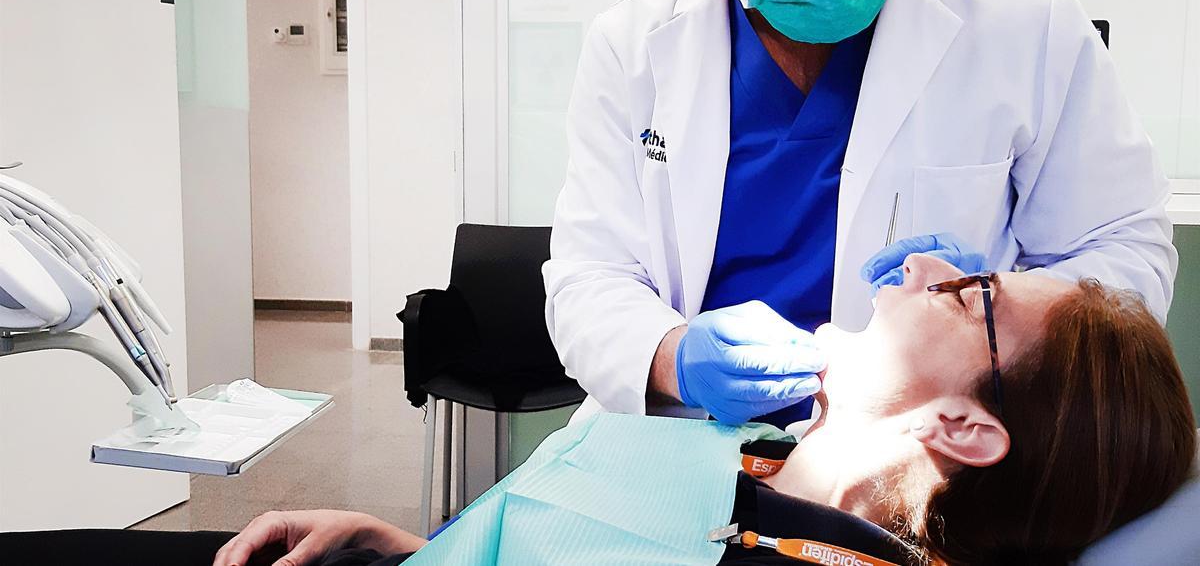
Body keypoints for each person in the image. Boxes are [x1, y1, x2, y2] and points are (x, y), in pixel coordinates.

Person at [4, 257, 1194, 565]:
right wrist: (428, 546)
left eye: (972, 295)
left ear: (967, 431)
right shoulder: (763, 463)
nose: (926, 273)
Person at [544, 0, 1177, 428]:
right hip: (683, 444)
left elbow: (1127, 252)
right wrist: (673, 357)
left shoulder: (1028, 24)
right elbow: (590, 278)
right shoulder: (630, 47)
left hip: (920, 454)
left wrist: (1000, 305)